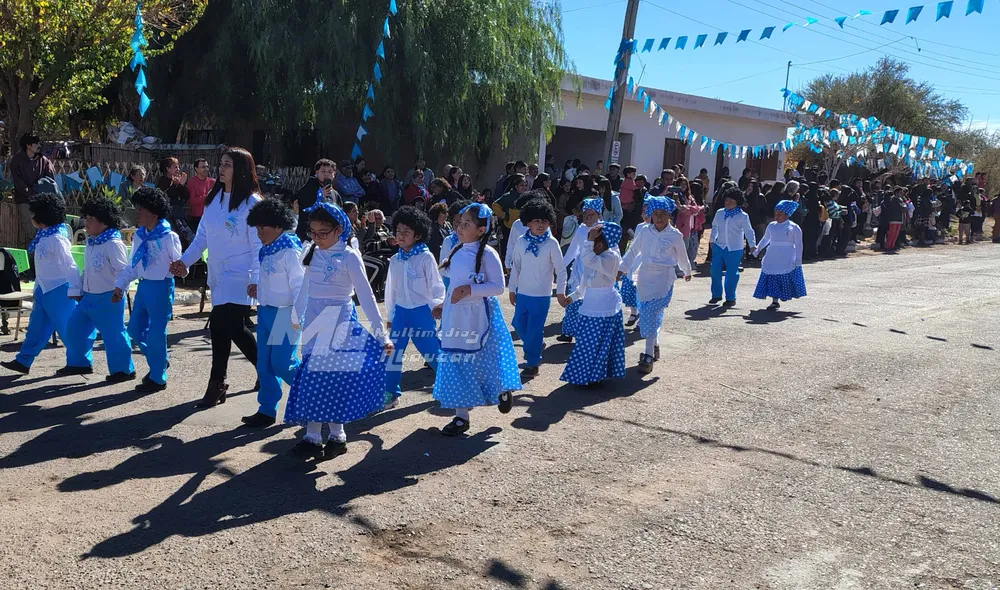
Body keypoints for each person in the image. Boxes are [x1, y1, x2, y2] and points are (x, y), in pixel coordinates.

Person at [284, 201, 392, 459]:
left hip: (339, 322)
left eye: (323, 233)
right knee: (312, 378)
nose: (317, 238)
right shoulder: (312, 251)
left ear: (339, 229)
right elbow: (305, 287)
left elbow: (366, 296)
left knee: (334, 379)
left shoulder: (349, 256)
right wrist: (296, 316)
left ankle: (337, 436)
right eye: (313, 232)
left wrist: (382, 335)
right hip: (313, 321)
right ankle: (311, 436)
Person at [170, 147, 264, 407]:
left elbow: (258, 245)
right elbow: (202, 239)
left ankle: (219, 382)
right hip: (219, 275)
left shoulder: (252, 203)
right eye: (221, 163)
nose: (221, 169)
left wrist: (256, 277)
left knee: (226, 325)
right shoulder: (213, 200)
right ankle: (243, 376)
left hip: (241, 276)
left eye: (228, 164)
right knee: (227, 328)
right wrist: (184, 262)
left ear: (242, 170)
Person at [434, 203, 522, 436]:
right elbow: (452, 284)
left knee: (487, 360)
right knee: (457, 363)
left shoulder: (488, 254)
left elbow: (498, 287)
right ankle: (461, 417)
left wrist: (470, 289)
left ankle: (502, 390)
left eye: (466, 224)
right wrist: (444, 304)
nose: (459, 227)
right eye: (459, 222)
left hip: (479, 317)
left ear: (481, 230)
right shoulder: (456, 250)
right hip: (456, 317)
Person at [1, 194, 81, 376]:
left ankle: (79, 362)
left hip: (60, 291)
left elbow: (70, 265)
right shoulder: (44, 236)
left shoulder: (57, 239)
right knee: (36, 329)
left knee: (67, 328)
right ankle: (23, 360)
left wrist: (76, 289)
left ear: (42, 216)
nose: (31, 217)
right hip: (43, 289)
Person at [242, 198, 304, 428]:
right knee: (264, 364)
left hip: (285, 315)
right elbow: (268, 277)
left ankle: (312, 398)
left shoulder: (289, 250)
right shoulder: (268, 250)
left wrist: (297, 315)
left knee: (282, 363)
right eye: (256, 227)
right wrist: (257, 284)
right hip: (266, 312)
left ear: (278, 226)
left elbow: (299, 285)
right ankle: (267, 410)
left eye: (263, 227)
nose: (259, 232)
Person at [60, 195, 134, 382]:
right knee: (75, 328)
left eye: (91, 220)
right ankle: (79, 363)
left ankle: (123, 370)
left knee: (113, 335)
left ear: (104, 221)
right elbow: (88, 269)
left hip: (109, 297)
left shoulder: (113, 243)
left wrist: (120, 290)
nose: (87, 224)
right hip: (88, 297)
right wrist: (79, 289)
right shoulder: (92, 241)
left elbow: (123, 271)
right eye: (87, 219)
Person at [114, 188, 181, 392]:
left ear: (153, 211)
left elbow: (180, 266)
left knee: (156, 333)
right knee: (134, 329)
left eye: (141, 209)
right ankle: (159, 360)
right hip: (144, 286)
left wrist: (177, 267)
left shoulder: (169, 237)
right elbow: (134, 264)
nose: (137, 214)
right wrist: (120, 285)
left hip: (161, 286)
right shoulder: (140, 236)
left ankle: (157, 377)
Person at [620, 196, 690, 373]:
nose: (659, 217)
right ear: (650, 214)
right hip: (645, 277)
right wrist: (622, 268)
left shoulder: (675, 235)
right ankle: (655, 344)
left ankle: (648, 355)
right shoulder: (644, 231)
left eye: (663, 214)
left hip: (663, 279)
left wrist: (686, 271)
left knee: (650, 313)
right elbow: (633, 251)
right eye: (655, 214)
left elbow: (682, 255)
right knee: (647, 312)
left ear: (669, 215)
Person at [384, 206, 445, 407]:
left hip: (422, 312)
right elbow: (391, 290)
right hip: (401, 312)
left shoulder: (425, 257)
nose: (400, 236)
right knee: (392, 353)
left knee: (432, 353)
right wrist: (391, 315)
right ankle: (391, 393)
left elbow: (436, 284)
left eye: (406, 232)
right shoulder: (395, 260)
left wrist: (437, 305)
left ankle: (449, 387)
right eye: (398, 231)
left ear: (417, 235)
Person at [559, 222, 625, 387]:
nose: (587, 246)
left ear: (600, 244)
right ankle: (583, 375)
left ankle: (596, 376)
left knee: (600, 346)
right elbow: (584, 283)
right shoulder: (594, 260)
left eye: (591, 242)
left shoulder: (611, 258)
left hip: (604, 309)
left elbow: (586, 258)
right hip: (589, 307)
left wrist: (589, 241)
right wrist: (573, 297)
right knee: (586, 345)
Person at [508, 199, 568, 378]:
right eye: (536, 221)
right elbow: (516, 266)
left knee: (534, 329)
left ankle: (533, 362)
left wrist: (560, 292)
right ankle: (535, 344)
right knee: (518, 324)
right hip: (523, 293)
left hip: (541, 296)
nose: (541, 225)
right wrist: (512, 289)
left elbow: (561, 269)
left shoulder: (551, 243)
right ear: (528, 222)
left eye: (544, 221)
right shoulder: (520, 241)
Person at [558, 198, 602, 343]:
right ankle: (568, 331)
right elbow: (572, 250)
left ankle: (587, 334)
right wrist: (560, 266)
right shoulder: (581, 229)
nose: (588, 218)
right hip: (579, 270)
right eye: (585, 215)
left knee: (591, 304)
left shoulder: (604, 230)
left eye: (592, 215)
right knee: (573, 301)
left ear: (599, 215)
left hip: (595, 271)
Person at [752, 200, 806, 310]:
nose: (777, 216)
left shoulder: (794, 227)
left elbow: (799, 244)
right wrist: (757, 250)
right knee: (772, 275)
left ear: (787, 214)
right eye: (776, 213)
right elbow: (766, 239)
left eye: (780, 213)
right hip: (773, 254)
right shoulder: (771, 226)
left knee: (784, 274)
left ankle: (785, 294)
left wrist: (798, 260)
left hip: (787, 255)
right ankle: (774, 300)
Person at [709, 186, 756, 306]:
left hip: (734, 248)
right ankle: (716, 295)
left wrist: (752, 245)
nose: (727, 202)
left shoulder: (743, 216)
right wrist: (711, 240)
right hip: (719, 246)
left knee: (731, 273)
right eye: (726, 199)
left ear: (737, 202)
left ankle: (730, 297)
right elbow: (714, 227)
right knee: (714, 270)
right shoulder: (720, 213)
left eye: (731, 200)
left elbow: (749, 231)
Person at [10, 133, 55, 252]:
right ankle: (30, 262)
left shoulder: (43, 160)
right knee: (30, 232)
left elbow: (50, 178)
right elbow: (18, 182)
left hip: (41, 201)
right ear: (28, 145)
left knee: (43, 231)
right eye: (36, 143)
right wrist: (31, 193)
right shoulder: (17, 160)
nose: (39, 145)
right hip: (24, 200)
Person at [295, 159, 342, 241]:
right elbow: (304, 208)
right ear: (317, 172)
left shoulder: (335, 194)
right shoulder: (308, 188)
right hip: (309, 234)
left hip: (328, 235)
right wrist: (318, 196)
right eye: (323, 171)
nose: (326, 174)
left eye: (330, 172)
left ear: (334, 174)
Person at [156, 157, 194, 246]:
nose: (178, 169)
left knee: (188, 237)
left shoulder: (178, 180)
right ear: (168, 169)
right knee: (174, 237)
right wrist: (176, 185)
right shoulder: (162, 181)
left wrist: (182, 185)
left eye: (178, 167)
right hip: (168, 216)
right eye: (175, 167)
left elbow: (186, 196)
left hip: (179, 214)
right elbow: (164, 196)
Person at [438, 200, 471, 288]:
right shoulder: (448, 240)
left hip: (468, 286)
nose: (457, 224)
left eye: (460, 221)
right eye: (454, 220)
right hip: (448, 284)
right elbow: (441, 267)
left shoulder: (474, 242)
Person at [186, 158, 216, 231]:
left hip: (210, 217)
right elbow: (192, 201)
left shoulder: (213, 182)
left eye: (207, 166)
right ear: (196, 169)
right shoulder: (192, 182)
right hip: (197, 218)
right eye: (203, 167)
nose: (206, 169)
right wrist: (208, 196)